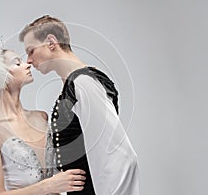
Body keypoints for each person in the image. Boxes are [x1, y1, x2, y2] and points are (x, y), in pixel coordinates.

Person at [19, 15, 139, 195]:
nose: (28, 60)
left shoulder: (84, 83)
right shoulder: (74, 85)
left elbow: (121, 159)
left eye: (31, 50)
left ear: (51, 42)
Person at [0, 48, 87, 195]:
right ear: (1, 76)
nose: (27, 64)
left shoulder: (42, 118)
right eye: (17, 63)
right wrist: (48, 187)